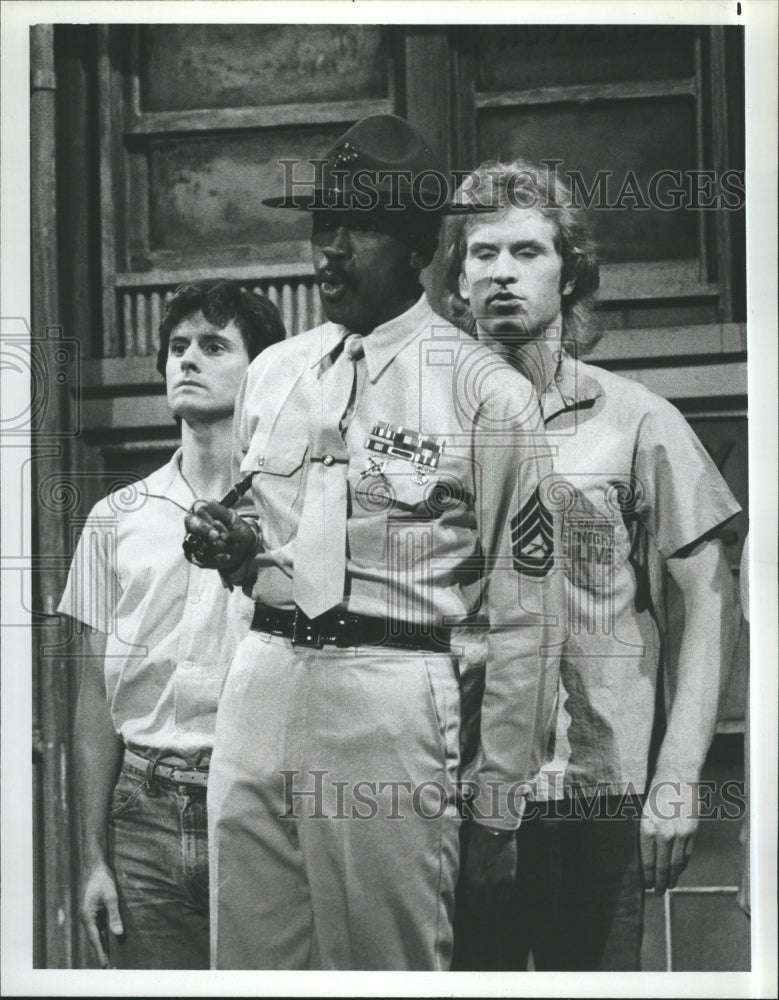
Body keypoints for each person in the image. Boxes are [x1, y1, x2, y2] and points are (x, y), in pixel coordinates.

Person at [183, 115, 564, 971]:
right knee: (247, 961)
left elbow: (525, 617)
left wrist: (498, 798)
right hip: (262, 682)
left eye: (358, 228)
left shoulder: (486, 396)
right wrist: (235, 548)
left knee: (382, 967)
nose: (331, 251)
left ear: (419, 246)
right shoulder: (277, 372)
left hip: (388, 695)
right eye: (323, 226)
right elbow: (274, 529)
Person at [445, 159, 742, 971]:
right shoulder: (425, 424)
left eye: (526, 251)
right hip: (452, 789)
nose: (501, 272)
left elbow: (708, 602)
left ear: (568, 270)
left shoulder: (637, 420)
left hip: (594, 789)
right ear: (455, 275)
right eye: (481, 253)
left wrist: (677, 777)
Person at [58, 279, 285, 969]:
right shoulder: (116, 516)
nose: (186, 359)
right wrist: (92, 856)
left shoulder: (295, 509)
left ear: (262, 371)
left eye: (214, 346)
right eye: (177, 346)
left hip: (263, 804)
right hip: (144, 814)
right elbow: (96, 696)